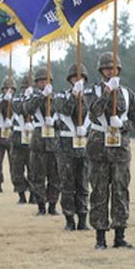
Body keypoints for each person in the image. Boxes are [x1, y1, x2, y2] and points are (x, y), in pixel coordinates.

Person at [86, 52, 135, 249]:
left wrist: (123, 125)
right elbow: (93, 114)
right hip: (99, 147)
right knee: (99, 191)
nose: (111, 71)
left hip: (120, 149)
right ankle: (100, 238)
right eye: (107, 68)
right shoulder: (92, 91)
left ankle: (120, 235)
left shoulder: (128, 94)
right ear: (101, 70)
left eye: (114, 68)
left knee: (121, 191)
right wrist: (108, 92)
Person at [54, 63, 91, 231]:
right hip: (66, 147)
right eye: (75, 77)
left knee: (83, 184)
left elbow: (97, 116)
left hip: (84, 146)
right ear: (70, 79)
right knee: (67, 184)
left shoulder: (90, 96)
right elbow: (66, 111)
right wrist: (74, 94)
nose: (78, 80)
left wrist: (87, 128)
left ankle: (83, 218)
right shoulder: (61, 96)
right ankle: (69, 219)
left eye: (81, 77)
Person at [25, 67, 60, 216]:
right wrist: (41, 96)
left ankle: (52, 205)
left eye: (45, 81)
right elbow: (28, 109)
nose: (43, 83)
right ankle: (41, 205)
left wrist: (54, 122)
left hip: (54, 141)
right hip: (39, 142)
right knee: (38, 175)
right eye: (40, 81)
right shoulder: (33, 97)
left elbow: (65, 115)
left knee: (55, 176)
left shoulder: (57, 97)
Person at [10, 76, 34, 204]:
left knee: (34, 169)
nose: (26, 89)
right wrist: (26, 98)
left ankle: (34, 195)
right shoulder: (17, 98)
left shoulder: (38, 97)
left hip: (33, 138)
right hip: (18, 137)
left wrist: (32, 98)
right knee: (17, 169)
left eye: (27, 88)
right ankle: (21, 195)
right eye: (24, 88)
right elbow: (18, 108)